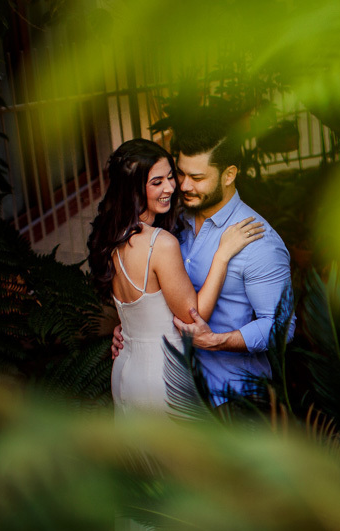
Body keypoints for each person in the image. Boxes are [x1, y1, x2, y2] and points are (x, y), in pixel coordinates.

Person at [111, 121, 294, 406]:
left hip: (232, 399)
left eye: (197, 177)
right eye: (180, 174)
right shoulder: (172, 224)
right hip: (175, 394)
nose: (183, 186)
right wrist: (134, 328)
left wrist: (216, 340)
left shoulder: (258, 242)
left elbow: (282, 326)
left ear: (229, 174)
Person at [89, 138, 264, 415]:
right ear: (134, 188)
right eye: (156, 182)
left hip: (125, 369)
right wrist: (222, 255)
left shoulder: (112, 235)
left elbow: (139, 311)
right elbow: (193, 317)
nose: (171, 188)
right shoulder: (160, 243)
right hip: (162, 377)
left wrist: (126, 329)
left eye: (171, 177)